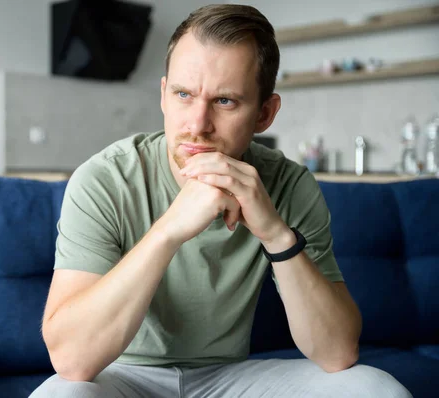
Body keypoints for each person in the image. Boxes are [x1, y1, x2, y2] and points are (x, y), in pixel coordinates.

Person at [30, 4, 411, 397]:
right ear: (163, 95)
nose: (197, 125)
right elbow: (72, 361)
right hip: (122, 377)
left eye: (225, 101)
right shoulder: (104, 180)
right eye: (183, 94)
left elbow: (337, 354)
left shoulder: (289, 184)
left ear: (265, 113)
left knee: (375, 388)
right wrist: (169, 230)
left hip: (231, 378)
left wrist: (276, 235)